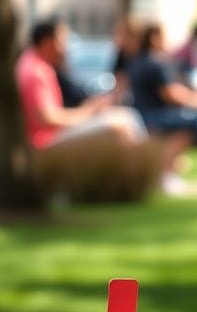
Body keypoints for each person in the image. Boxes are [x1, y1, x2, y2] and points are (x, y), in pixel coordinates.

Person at [15, 18, 158, 201]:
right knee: (121, 121)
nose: (66, 47)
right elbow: (47, 118)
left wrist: (89, 109)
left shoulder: (32, 65)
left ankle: (130, 182)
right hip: (45, 142)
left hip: (46, 137)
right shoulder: (36, 71)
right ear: (46, 42)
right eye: (62, 40)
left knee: (124, 117)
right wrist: (88, 112)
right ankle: (138, 181)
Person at [128, 23, 197, 193]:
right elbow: (170, 93)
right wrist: (196, 100)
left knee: (190, 120)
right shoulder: (156, 63)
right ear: (155, 38)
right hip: (152, 117)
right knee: (192, 120)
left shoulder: (138, 61)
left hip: (142, 114)